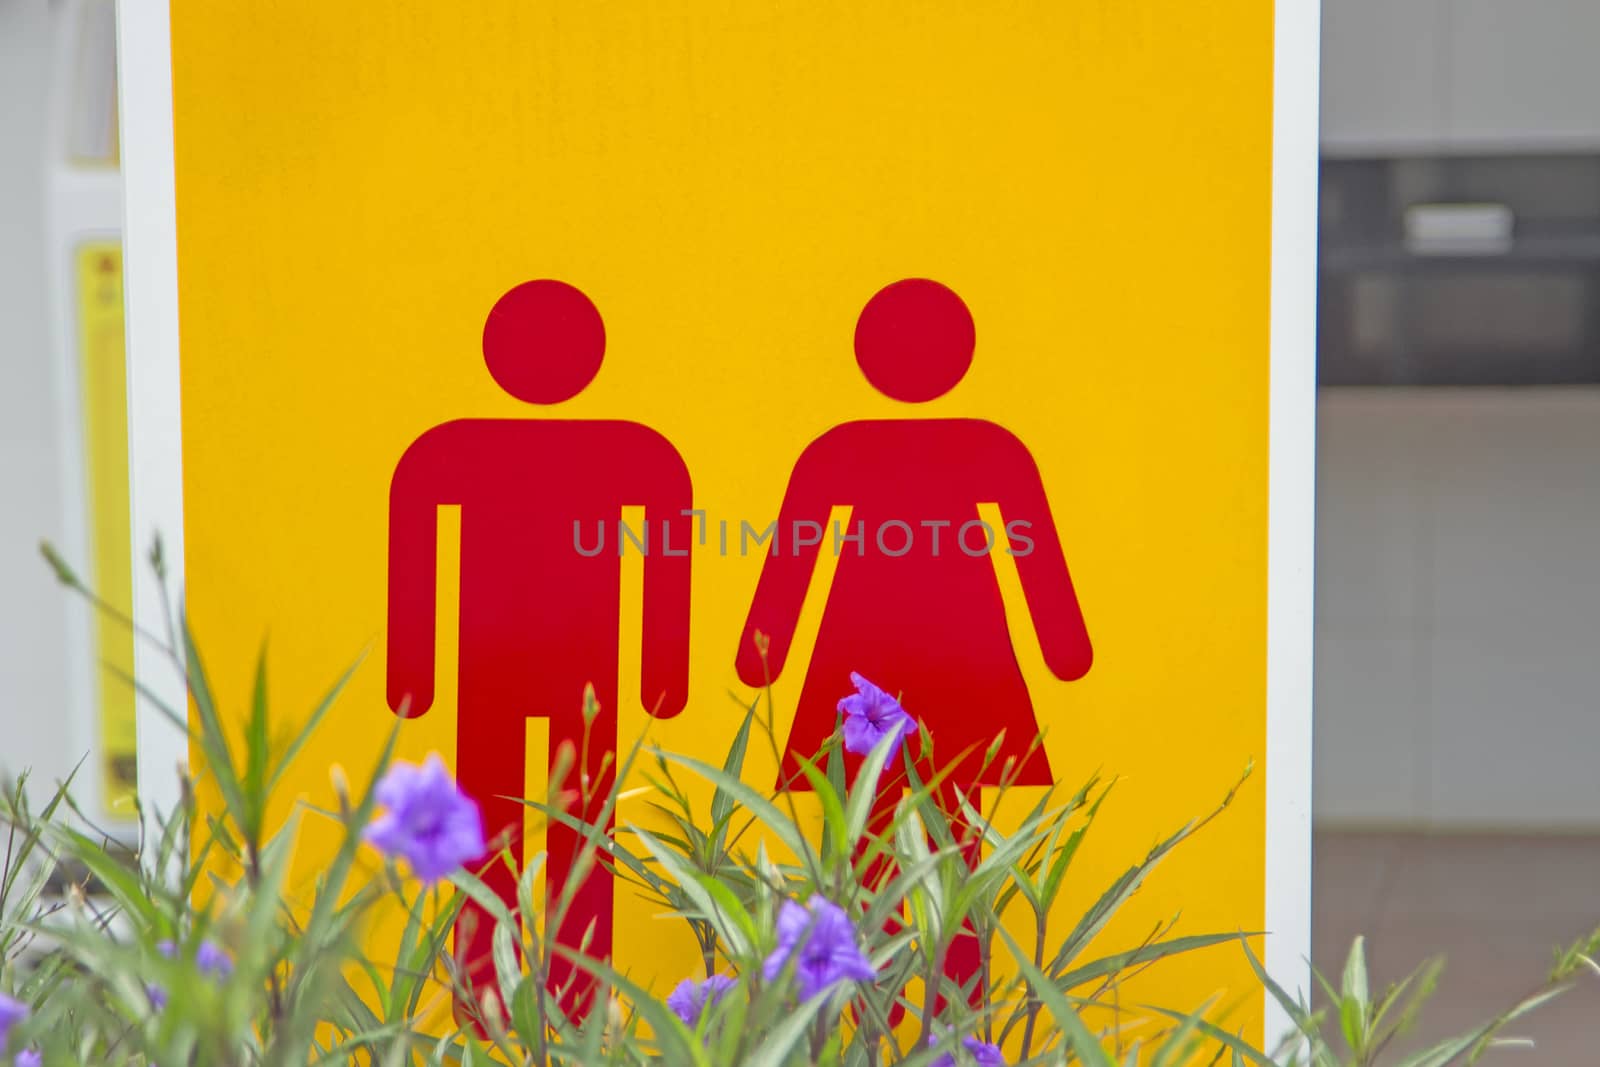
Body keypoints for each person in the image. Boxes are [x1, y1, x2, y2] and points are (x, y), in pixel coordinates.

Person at [736, 277, 1092, 1007]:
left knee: (883, 828)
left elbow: (792, 560)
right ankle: (934, 1010)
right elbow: (1036, 558)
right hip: (952, 655)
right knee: (937, 826)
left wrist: (758, 650)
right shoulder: (985, 446)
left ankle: (911, 1012)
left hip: (877, 654)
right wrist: (1063, 647)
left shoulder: (844, 448)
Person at [387, 279, 692, 1018]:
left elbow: (666, 552)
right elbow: (416, 551)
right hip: (536, 669)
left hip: (528, 670)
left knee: (551, 832)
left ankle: (541, 1004)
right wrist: (662, 674)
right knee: (536, 831)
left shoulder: (456, 448)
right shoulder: (631, 449)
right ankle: (527, 1003)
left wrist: (414, 674)